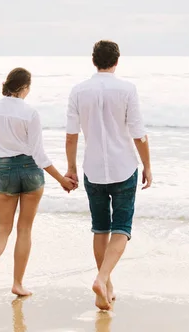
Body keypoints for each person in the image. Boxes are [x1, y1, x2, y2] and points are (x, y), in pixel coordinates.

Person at [65, 40, 152, 310]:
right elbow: (138, 133)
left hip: (93, 169)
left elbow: (71, 135)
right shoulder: (127, 89)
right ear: (116, 61)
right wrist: (148, 165)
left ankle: (106, 285)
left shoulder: (78, 91)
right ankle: (103, 279)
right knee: (122, 228)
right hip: (124, 167)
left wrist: (70, 168)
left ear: (94, 60)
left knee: (100, 227)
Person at [0, 67, 77, 300]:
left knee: (2, 228)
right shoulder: (30, 112)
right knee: (24, 229)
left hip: (4, 168)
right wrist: (62, 179)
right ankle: (18, 284)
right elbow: (38, 154)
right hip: (30, 170)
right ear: (25, 87)